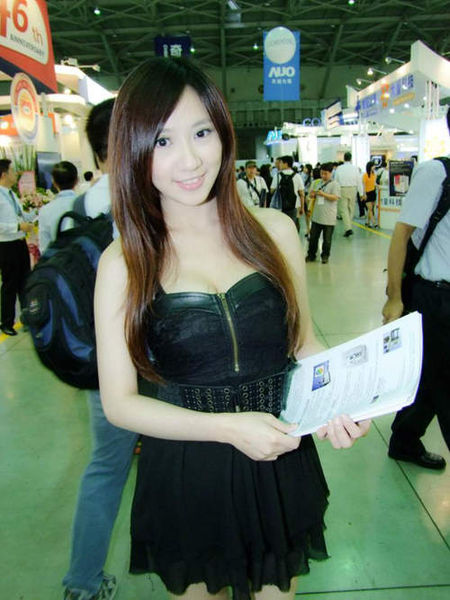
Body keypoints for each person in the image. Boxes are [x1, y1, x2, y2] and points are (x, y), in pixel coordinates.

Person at [95, 56, 370, 600]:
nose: (191, 159)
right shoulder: (123, 264)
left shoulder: (275, 231)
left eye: (202, 132)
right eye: (163, 141)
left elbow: (303, 342)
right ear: (134, 149)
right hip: (188, 470)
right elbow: (120, 404)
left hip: (278, 457)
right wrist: (227, 428)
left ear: (223, 131)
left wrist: (341, 395)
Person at [62, 99, 139, 600]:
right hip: (152, 357)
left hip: (97, 361)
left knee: (106, 467)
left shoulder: (72, 209)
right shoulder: (143, 203)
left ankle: (82, 582)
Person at [382, 107, 450, 470]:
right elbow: (401, 234)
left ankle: (404, 441)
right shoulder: (436, 173)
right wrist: (395, 297)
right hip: (436, 297)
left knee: (430, 376)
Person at [0, 159, 34, 336]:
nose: (16, 174)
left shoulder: (11, 194)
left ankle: (27, 318)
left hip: (20, 243)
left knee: (25, 281)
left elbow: (20, 215)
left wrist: (35, 213)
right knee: (10, 284)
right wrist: (17, 227)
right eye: (12, 171)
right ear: (4, 174)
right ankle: (6, 322)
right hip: (7, 246)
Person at [38, 161, 79, 253]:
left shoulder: (45, 210)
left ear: (54, 182)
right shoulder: (84, 203)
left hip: (58, 259)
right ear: (77, 180)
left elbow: (44, 247)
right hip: (84, 259)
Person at [305, 163, 340, 264]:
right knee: (313, 238)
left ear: (331, 173)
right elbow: (310, 195)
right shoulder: (317, 183)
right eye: (322, 173)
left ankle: (325, 256)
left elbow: (335, 197)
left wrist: (323, 194)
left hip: (329, 217)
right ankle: (311, 255)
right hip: (317, 215)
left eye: (325, 174)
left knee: (327, 239)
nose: (323, 176)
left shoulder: (335, 184)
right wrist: (312, 195)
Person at [270, 155, 305, 228]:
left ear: (286, 164)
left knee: (281, 226)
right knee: (292, 226)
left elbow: (272, 191)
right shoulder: (297, 176)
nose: (279, 164)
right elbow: (301, 194)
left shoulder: (277, 176)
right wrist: (302, 207)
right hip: (294, 206)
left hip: (280, 206)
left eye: (281, 163)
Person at [334, 152, 363, 237]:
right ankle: (348, 227)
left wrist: (335, 192)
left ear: (344, 158)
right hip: (353, 189)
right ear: (351, 159)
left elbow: (336, 181)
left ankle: (348, 228)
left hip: (342, 189)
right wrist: (361, 193)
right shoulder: (355, 168)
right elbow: (359, 181)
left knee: (343, 209)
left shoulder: (339, 168)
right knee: (351, 208)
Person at [362, 161, 377, 228]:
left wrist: (377, 185)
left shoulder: (374, 174)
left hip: (373, 192)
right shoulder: (365, 175)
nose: (374, 167)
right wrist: (364, 194)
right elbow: (364, 185)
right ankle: (374, 223)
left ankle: (367, 222)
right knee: (370, 208)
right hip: (367, 193)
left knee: (370, 209)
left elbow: (374, 183)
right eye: (373, 166)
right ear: (370, 167)